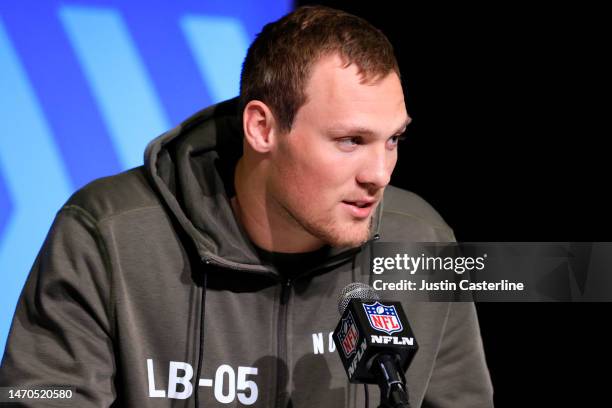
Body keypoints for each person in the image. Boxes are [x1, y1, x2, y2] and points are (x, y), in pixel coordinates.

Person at [0, 5, 493, 407]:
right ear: (262, 128)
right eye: (350, 141)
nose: (379, 174)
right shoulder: (109, 234)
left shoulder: (423, 243)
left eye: (392, 140)